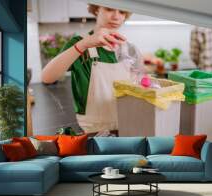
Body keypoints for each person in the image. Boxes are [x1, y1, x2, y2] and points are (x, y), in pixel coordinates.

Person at [41, 4, 144, 135]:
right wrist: (83, 45)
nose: (116, 16)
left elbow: (138, 85)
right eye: (109, 8)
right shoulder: (80, 43)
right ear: (97, 9)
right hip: (93, 129)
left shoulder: (129, 49)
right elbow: (47, 77)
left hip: (126, 123)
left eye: (122, 11)